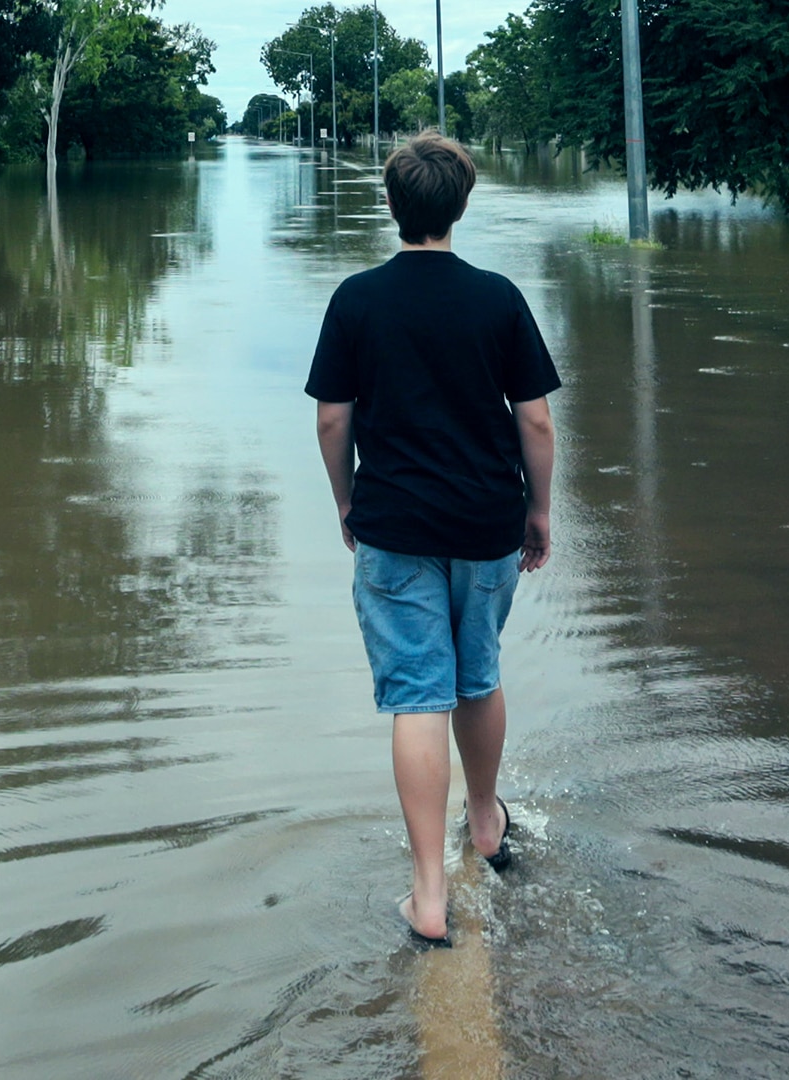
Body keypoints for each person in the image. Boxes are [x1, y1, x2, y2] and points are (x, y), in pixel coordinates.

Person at [307, 131, 559, 947]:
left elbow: (333, 417)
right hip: (487, 524)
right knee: (477, 674)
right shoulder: (497, 297)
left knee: (418, 692)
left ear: (392, 203)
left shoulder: (356, 299)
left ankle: (428, 899)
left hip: (395, 526)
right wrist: (540, 511)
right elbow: (537, 420)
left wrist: (348, 501)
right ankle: (486, 826)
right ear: (461, 203)